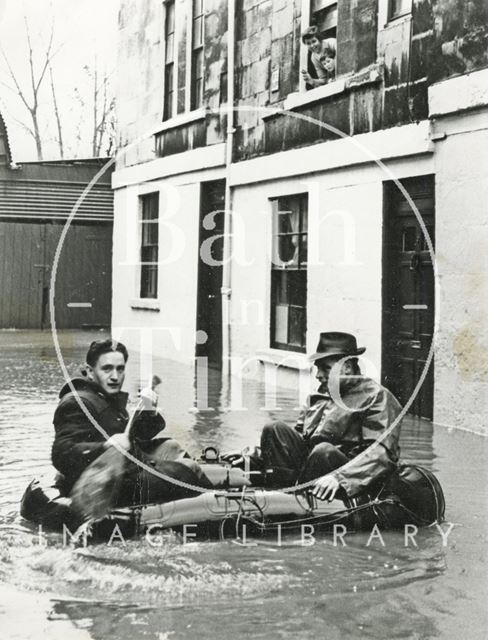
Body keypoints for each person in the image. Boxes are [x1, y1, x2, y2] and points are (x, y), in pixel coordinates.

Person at [51, 339, 210, 505]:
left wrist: (149, 409)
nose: (115, 377)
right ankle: (216, 504)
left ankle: (203, 497)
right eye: (107, 369)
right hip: (106, 482)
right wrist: (106, 445)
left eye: (120, 369)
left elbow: (133, 438)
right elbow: (61, 453)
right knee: (188, 469)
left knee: (171, 446)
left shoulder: (103, 395)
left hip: (124, 467)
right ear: (90, 371)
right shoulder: (76, 403)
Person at [260, 332, 403, 501]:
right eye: (317, 368)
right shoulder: (321, 395)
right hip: (312, 469)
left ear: (347, 367)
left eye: (326, 368)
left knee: (323, 451)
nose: (318, 375)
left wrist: (340, 477)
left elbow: (380, 453)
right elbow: (298, 439)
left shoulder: (377, 397)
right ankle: (279, 498)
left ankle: (297, 503)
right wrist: (252, 456)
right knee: (274, 429)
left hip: (348, 475)